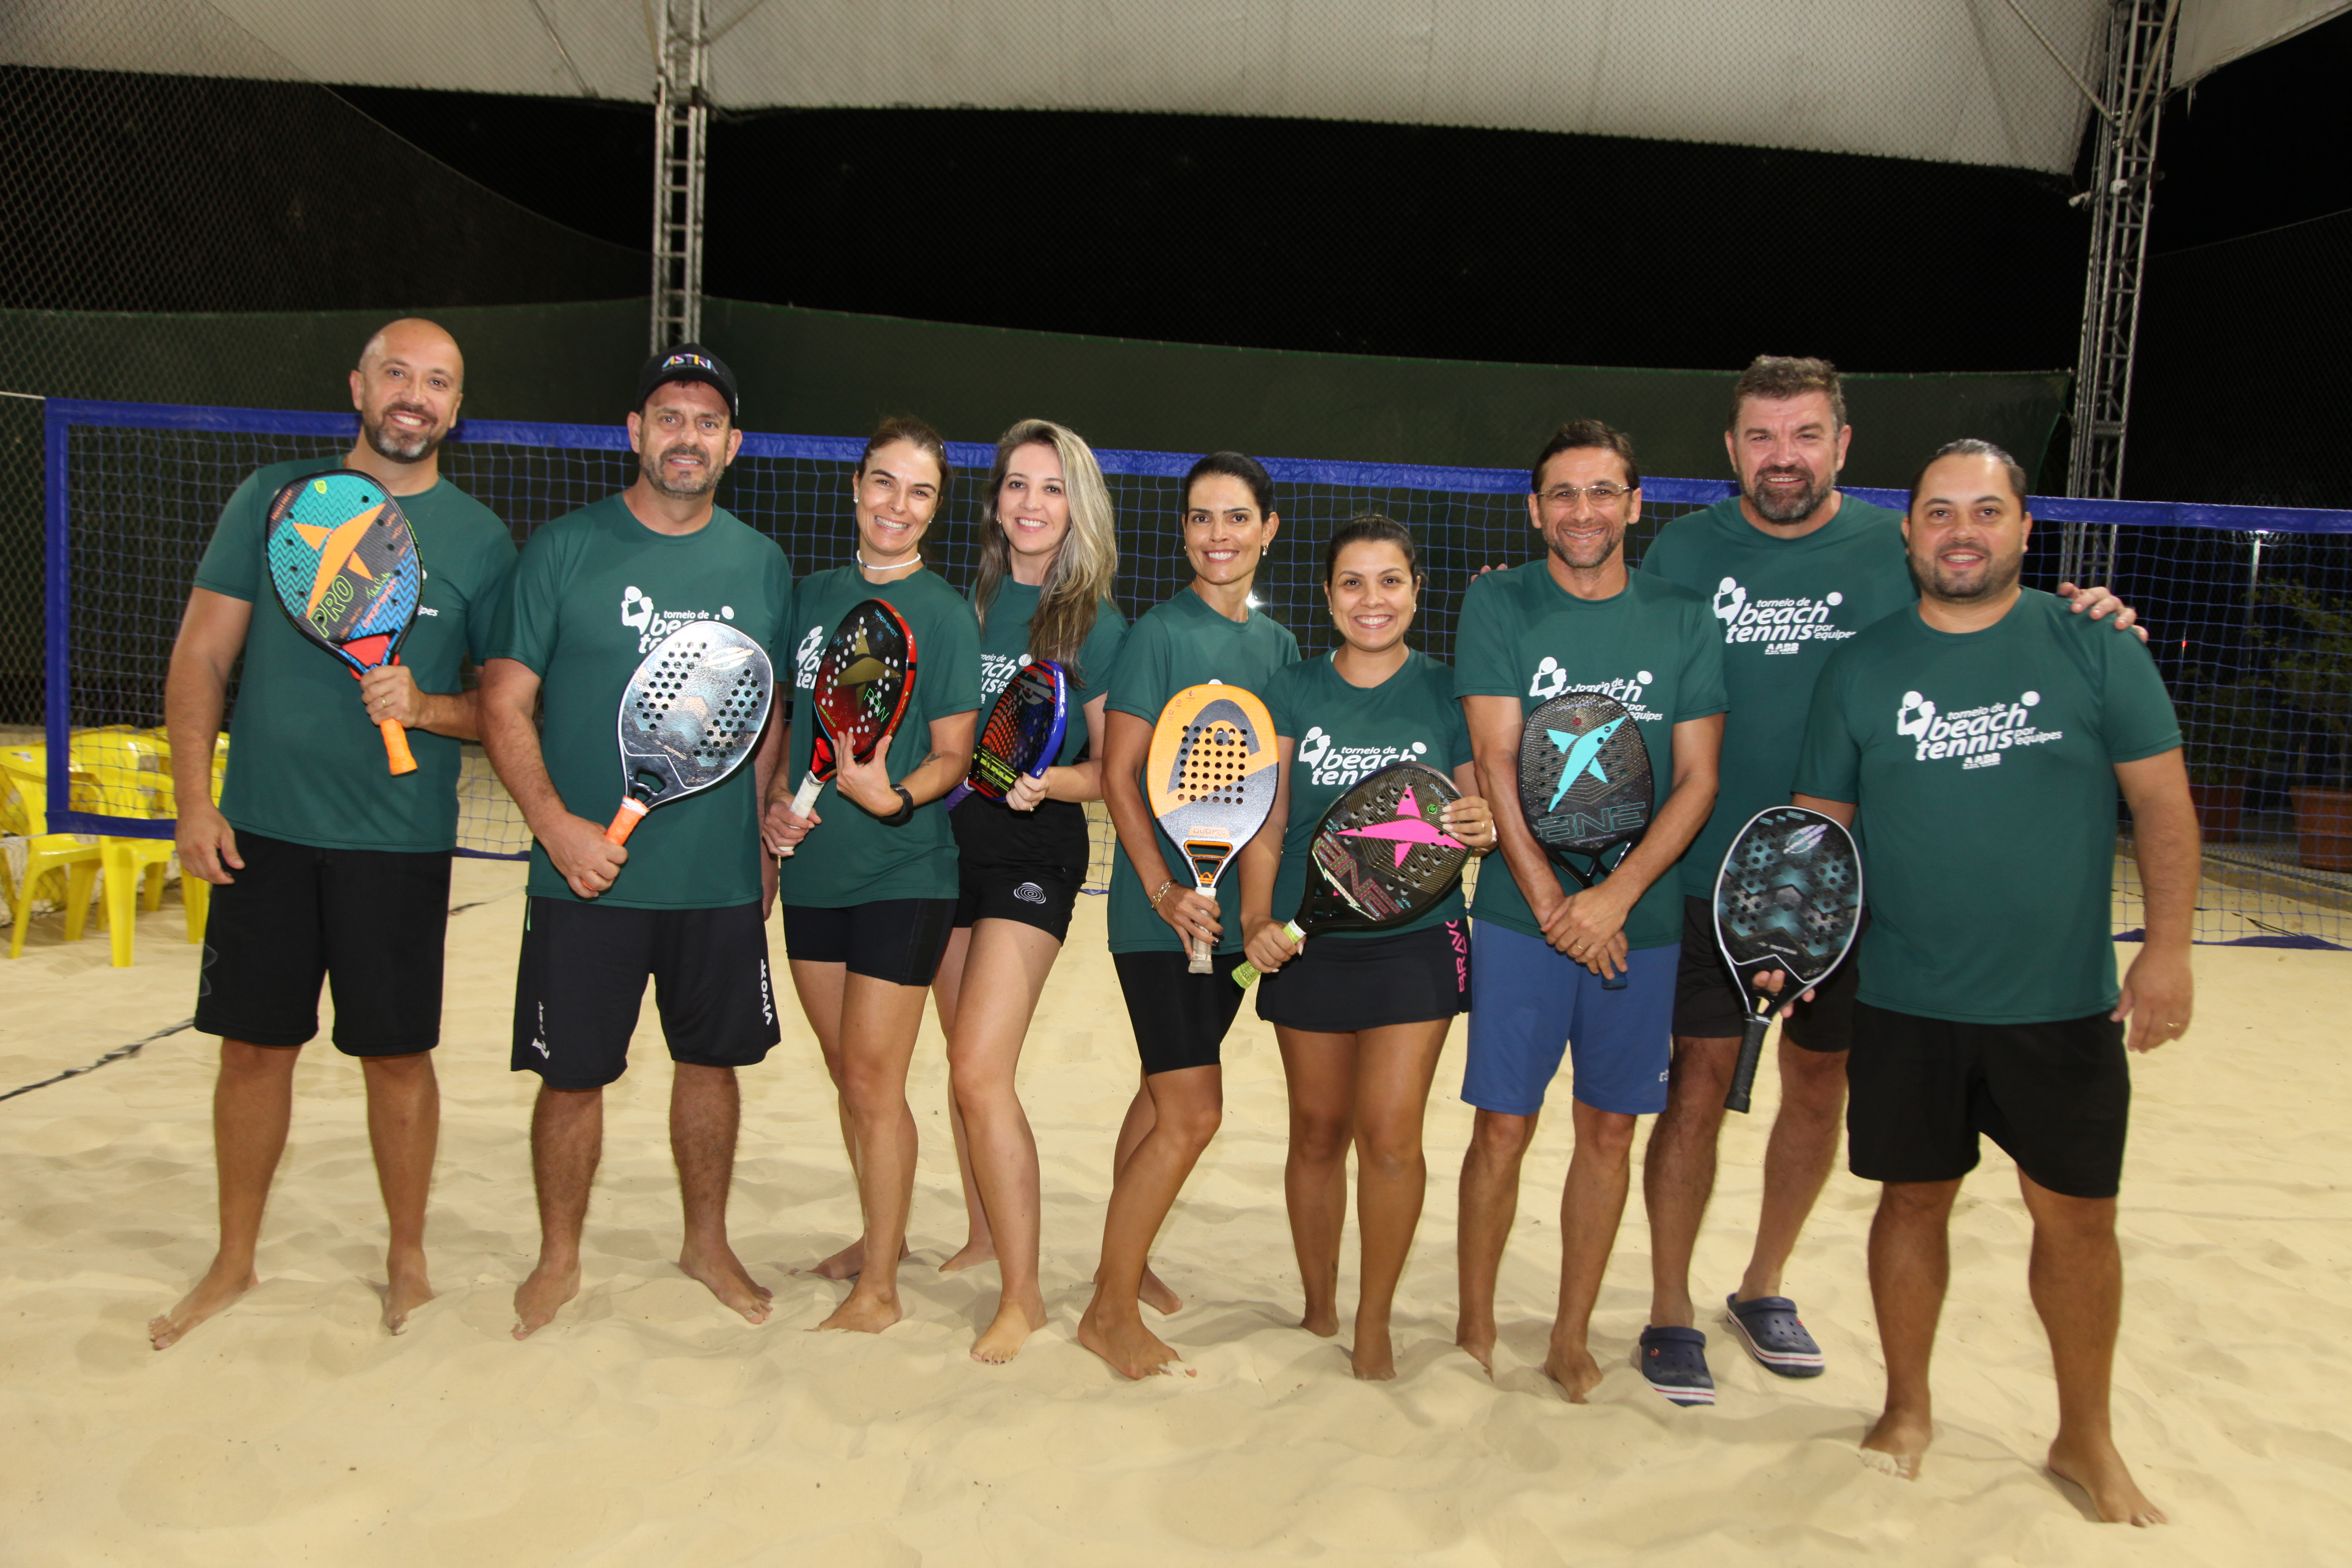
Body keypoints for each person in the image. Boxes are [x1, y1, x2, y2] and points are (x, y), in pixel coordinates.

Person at [1637, 356, 2142, 1400]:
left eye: (1807, 434)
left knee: (1818, 1086)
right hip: (1706, 875)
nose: (1785, 457)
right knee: (1692, 1089)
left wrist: (2093, 616)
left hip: (1854, 890)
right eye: (1764, 438)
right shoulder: (1683, 551)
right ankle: (1669, 1308)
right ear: (1732, 450)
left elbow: (1985, 606)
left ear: (1842, 445)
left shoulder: (1894, 545)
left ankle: (1764, 1282)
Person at [1790, 439, 2193, 1525]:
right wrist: (1795, 942)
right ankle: (1908, 1407)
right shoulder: (1865, 665)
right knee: (1912, 1199)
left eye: (1984, 511)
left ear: (2023, 530)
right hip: (1906, 999)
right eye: (1937, 512)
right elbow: (1826, 824)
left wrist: (2166, 951)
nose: (1960, 531)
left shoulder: (2095, 647)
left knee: (2076, 1221)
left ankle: (2085, 1436)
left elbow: (2162, 806)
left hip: (2060, 1006)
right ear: (1910, 531)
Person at [153, 318, 515, 1350]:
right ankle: (234, 1260)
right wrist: (194, 799)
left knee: (397, 1057)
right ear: (358, 387)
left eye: (437, 381)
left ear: (456, 407)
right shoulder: (275, 499)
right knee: (254, 1053)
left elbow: (498, 708)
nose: (415, 394)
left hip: (397, 843)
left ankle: (407, 1260)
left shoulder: (481, 541)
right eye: (396, 373)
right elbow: (200, 659)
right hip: (261, 832)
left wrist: (427, 707)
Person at [480, 345, 794, 1340]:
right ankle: (558, 1257)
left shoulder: (761, 561)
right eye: (669, 416)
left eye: (708, 422)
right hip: (585, 877)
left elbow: (765, 710)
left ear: (733, 444)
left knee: (712, 1067)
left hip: (715, 884)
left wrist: (764, 846)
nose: (687, 436)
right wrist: (556, 827)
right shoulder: (565, 549)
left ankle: (706, 1243)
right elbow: (503, 703)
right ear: (637, 431)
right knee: (572, 1076)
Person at [1451, 419, 1726, 1403]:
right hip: (1525, 921)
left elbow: (1698, 781)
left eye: (1603, 491)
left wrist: (1612, 897)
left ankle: (1570, 1335)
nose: (1583, 511)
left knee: (1609, 1133)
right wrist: (1557, 904)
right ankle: (1476, 1326)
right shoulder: (1499, 602)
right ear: (1536, 510)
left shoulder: (1685, 619)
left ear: (1635, 504)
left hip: (1640, 921)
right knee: (1503, 1129)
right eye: (1563, 494)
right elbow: (1493, 763)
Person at [1237, 514, 1496, 1380]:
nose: (1372, 600)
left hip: (1415, 940)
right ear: (1327, 596)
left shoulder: (1448, 691)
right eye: (1353, 582)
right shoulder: (1292, 688)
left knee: (1390, 1137)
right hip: (1311, 935)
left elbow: (1474, 818)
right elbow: (1268, 824)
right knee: (1317, 1131)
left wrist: (1480, 826)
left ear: (1417, 591)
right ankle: (1319, 1300)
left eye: (1390, 581)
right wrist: (1253, 920)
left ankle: (1375, 1319)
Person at [1078, 451, 1300, 1379]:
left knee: (1162, 1094)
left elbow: (1267, 802)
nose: (1220, 535)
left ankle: (1120, 1264)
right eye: (1203, 518)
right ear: (1183, 534)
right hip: (1154, 919)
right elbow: (1121, 779)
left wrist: (1253, 915)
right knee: (1194, 1112)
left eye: (1238, 517)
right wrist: (1166, 892)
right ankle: (1106, 1311)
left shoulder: (1278, 648)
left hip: (1226, 925)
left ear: (1267, 530)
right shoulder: (1156, 635)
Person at [762, 418, 981, 1335]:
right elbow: (785, 729)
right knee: (847, 1070)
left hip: (905, 870)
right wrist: (777, 806)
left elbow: (954, 757)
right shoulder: (807, 596)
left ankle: (881, 1288)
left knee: (873, 1083)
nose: (899, 505)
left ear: (937, 507)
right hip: (815, 874)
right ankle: (876, 1236)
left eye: (920, 491)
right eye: (885, 483)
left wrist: (890, 798)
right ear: (856, 489)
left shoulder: (943, 613)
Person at [925, 419, 1126, 1362]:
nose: (1031, 504)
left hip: (1032, 854)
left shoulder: (1093, 620)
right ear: (997, 499)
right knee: (959, 1061)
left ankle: (1024, 1294)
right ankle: (980, 1233)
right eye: (1016, 485)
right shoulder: (966, 602)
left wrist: (1058, 781)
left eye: (1051, 489)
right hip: (944, 847)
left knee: (980, 1070)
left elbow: (1116, 771)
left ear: (1077, 507)